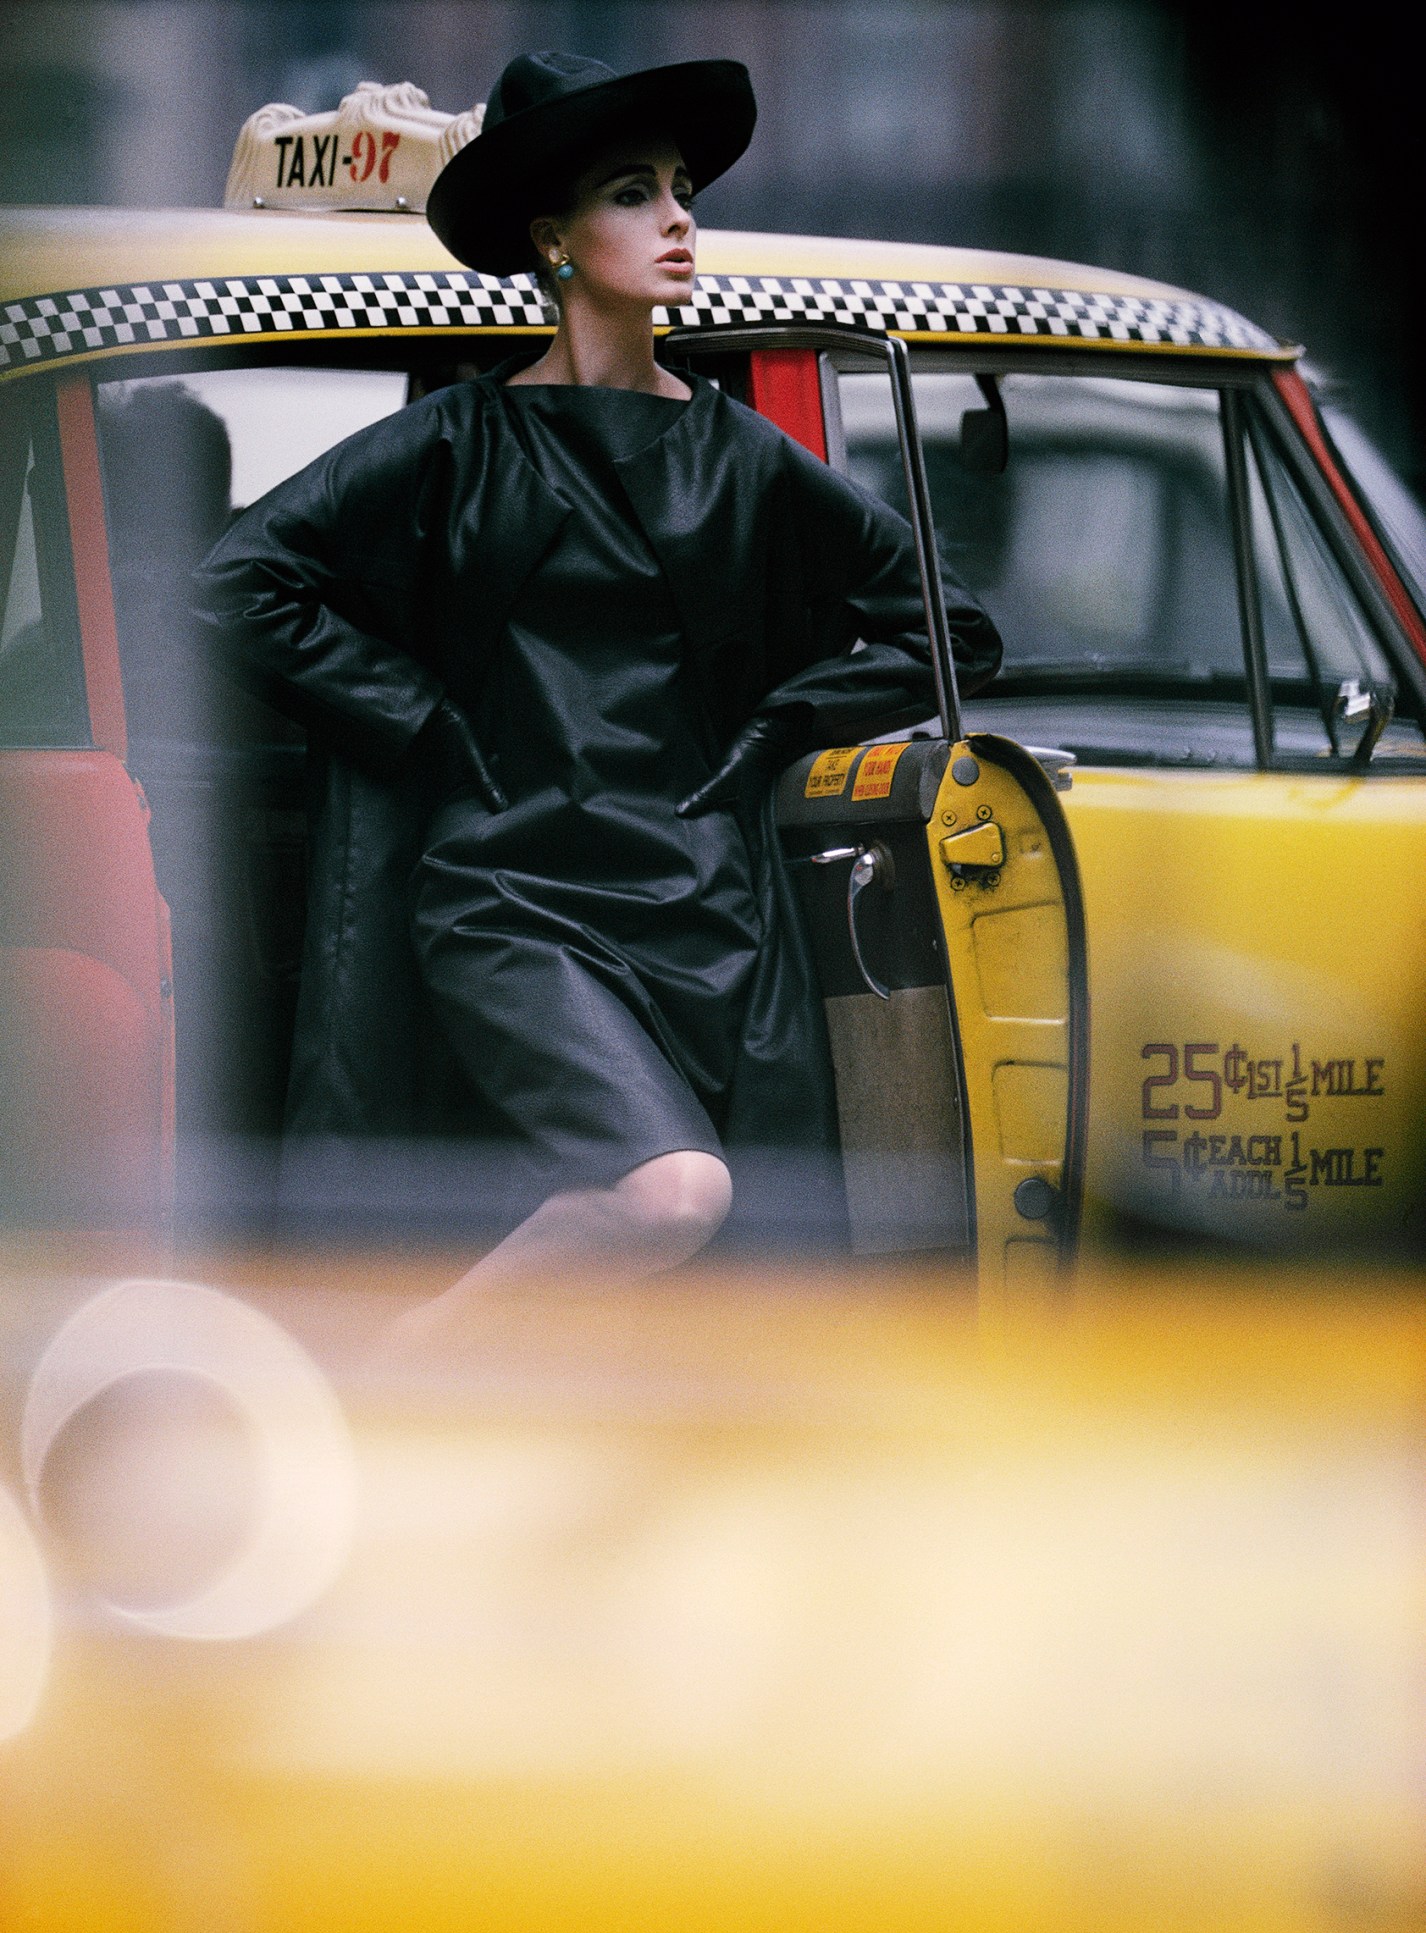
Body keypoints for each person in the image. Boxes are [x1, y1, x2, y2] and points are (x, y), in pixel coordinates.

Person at [197, 50, 1000, 1340]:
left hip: (707, 908)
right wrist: (426, 721)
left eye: (682, 190)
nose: (680, 218)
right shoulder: (455, 443)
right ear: (553, 240)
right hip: (513, 895)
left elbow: (952, 630)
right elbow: (234, 586)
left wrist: (775, 726)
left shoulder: (743, 455)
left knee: (732, 1290)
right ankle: (383, 1384)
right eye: (636, 192)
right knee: (671, 1197)